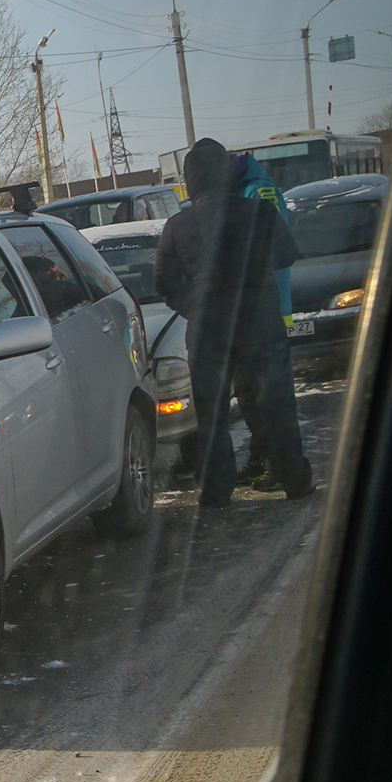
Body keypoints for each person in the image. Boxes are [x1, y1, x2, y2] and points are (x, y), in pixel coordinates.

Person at [156, 139, 314, 507]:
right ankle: (294, 479)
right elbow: (287, 254)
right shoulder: (259, 212)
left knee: (211, 413)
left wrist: (193, 306)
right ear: (225, 173)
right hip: (261, 323)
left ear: (190, 180)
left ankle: (216, 490)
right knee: (276, 404)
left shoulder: (178, 225)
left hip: (208, 329)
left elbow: (164, 284)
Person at [231, 151, 292, 488]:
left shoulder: (259, 191)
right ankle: (261, 459)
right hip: (258, 304)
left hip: (268, 305)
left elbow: (274, 247)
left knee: (267, 394)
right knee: (252, 393)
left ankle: (277, 465)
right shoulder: (248, 189)